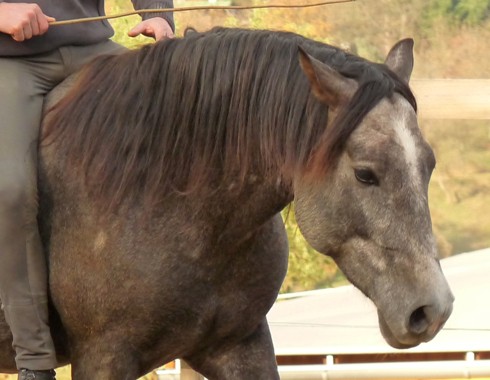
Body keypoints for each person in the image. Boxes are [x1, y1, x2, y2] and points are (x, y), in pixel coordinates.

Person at [0, 1, 174, 379]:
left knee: (193, 111)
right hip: (8, 62)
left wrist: (157, 13)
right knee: (8, 190)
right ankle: (34, 360)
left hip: (95, 50)